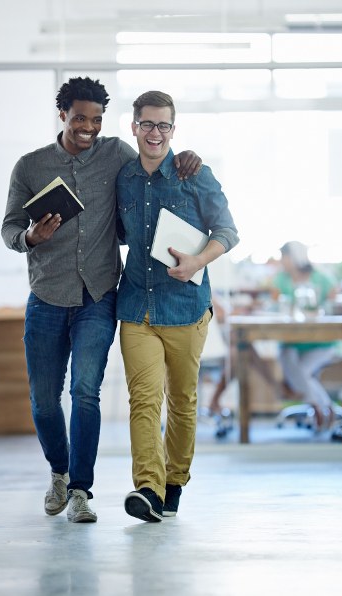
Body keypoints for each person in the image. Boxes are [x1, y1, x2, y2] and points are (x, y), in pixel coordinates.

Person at [1, 77, 201, 524]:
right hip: (47, 296)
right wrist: (29, 236)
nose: (88, 128)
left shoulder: (115, 154)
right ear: (63, 116)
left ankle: (79, 490)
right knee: (44, 401)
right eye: (79, 119)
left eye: (95, 120)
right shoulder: (30, 166)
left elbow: (156, 162)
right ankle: (59, 469)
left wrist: (187, 157)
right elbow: (9, 228)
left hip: (98, 296)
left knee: (85, 392)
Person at [116, 90, 239, 522]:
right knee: (143, 400)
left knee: (183, 400)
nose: (154, 133)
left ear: (173, 129)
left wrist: (198, 261)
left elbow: (227, 230)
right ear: (133, 126)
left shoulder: (195, 175)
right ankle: (147, 488)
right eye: (146, 124)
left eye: (163, 125)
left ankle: (174, 483)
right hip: (135, 306)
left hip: (186, 306)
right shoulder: (123, 178)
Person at [272, 241, 338, 429]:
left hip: (321, 342)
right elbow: (274, 305)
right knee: (287, 357)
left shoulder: (322, 279)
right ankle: (324, 407)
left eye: (283, 256)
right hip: (291, 341)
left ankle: (318, 408)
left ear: (294, 256)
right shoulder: (280, 280)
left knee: (301, 371)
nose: (281, 261)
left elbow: (334, 305)